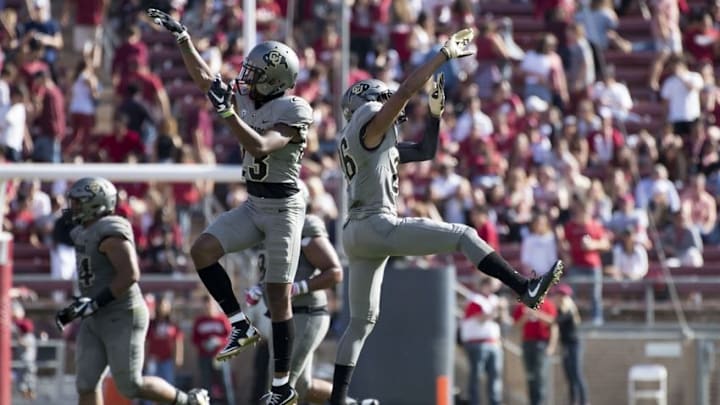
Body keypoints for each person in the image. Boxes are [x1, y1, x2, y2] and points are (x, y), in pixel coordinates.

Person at [329, 28, 564, 404]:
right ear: (371, 103)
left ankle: (338, 399)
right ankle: (523, 287)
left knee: (361, 322)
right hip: (376, 224)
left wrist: (436, 116)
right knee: (463, 234)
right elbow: (405, 91)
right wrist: (442, 56)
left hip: (356, 233)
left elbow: (424, 151)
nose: (396, 110)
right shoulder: (369, 122)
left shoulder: (370, 142)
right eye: (385, 101)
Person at [148, 9, 313, 404]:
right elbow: (207, 79)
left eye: (255, 73)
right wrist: (184, 39)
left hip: (284, 209)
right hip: (255, 202)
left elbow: (261, 145)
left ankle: (281, 386)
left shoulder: (294, 110)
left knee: (278, 296)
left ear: (275, 82)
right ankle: (240, 325)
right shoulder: (247, 95)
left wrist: (227, 114)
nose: (247, 78)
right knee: (202, 250)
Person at [53, 177, 209, 405]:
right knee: (86, 384)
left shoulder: (110, 231)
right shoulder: (82, 232)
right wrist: (82, 305)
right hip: (96, 315)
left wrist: (94, 303)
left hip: (121, 314)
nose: (73, 208)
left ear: (96, 204)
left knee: (130, 384)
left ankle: (189, 401)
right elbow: (94, 276)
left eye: (79, 202)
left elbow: (130, 274)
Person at [246, 185, 377, 404]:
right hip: (282, 317)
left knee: (278, 386)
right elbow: (276, 272)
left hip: (305, 315)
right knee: (303, 388)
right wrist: (260, 288)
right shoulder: (270, 229)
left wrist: (299, 288)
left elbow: (335, 272)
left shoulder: (304, 226)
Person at [460, 277, 507, 405]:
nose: (498, 285)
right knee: (476, 376)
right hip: (477, 343)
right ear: (486, 284)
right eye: (494, 282)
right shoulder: (475, 299)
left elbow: (502, 320)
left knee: (495, 376)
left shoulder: (493, 299)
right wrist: (496, 309)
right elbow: (480, 318)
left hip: (493, 343)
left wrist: (502, 310)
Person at [513, 299, 558, 405]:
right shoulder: (522, 306)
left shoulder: (548, 304)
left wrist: (551, 346)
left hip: (541, 344)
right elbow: (516, 326)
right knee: (530, 376)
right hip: (527, 343)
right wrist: (526, 315)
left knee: (540, 377)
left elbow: (553, 324)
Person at [192, 295, 234, 404]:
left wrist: (219, 341)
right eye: (205, 305)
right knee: (206, 385)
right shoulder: (199, 321)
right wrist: (203, 344)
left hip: (220, 356)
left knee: (225, 383)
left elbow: (231, 337)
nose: (207, 307)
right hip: (204, 356)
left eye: (209, 304)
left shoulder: (222, 319)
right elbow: (194, 339)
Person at [551, 284, 589, 405]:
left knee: (576, 374)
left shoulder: (569, 311)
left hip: (574, 346)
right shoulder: (560, 310)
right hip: (566, 346)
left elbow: (554, 322)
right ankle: (573, 401)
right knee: (570, 376)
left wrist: (537, 315)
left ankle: (584, 402)